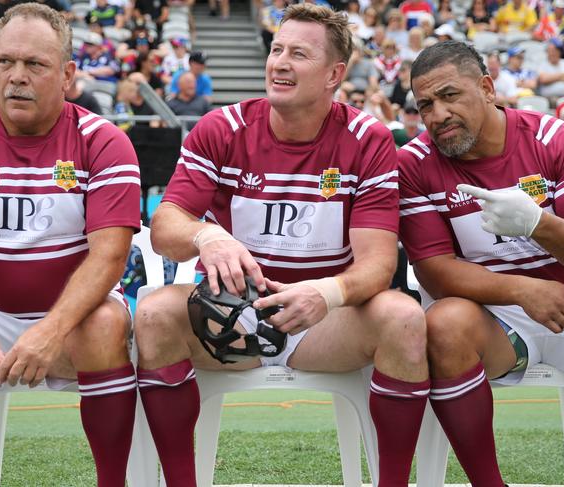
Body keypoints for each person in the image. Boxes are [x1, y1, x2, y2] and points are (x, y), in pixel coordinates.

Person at [134, 4, 428, 486]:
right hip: (231, 317)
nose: (280, 62)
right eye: (276, 50)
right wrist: (205, 234)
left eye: (299, 54)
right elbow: (165, 227)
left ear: (335, 74)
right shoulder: (221, 127)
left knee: (404, 318)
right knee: (152, 313)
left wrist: (326, 294)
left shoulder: (367, 138)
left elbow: (377, 265)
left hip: (327, 322)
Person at [0, 3, 141, 486]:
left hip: (73, 321)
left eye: (35, 65)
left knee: (103, 324)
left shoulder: (104, 141)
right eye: (5, 62)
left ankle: (112, 481)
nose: (16, 77)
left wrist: (51, 330)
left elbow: (110, 256)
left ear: (68, 75)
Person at [398, 40, 564, 486]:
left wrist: (537, 223)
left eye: (450, 96)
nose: (437, 115)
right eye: (425, 104)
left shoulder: (556, 139)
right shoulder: (412, 163)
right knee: (443, 325)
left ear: (487, 88)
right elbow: (433, 269)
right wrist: (522, 291)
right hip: (494, 315)